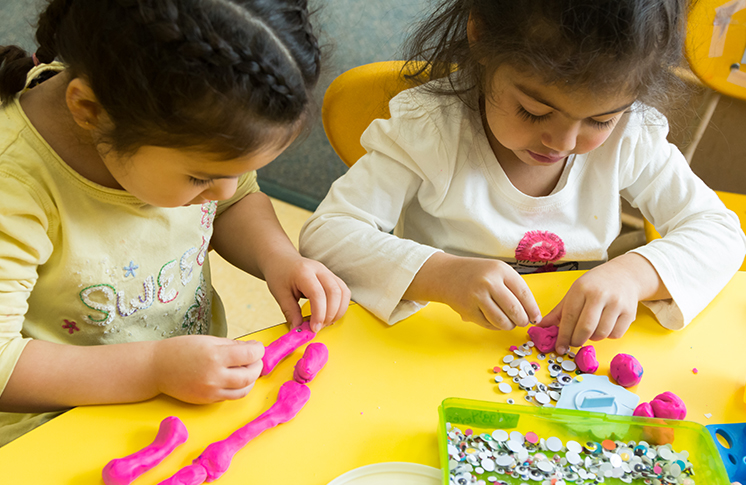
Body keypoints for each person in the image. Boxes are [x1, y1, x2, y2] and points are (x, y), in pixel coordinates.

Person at [300, 0, 746, 353]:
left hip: (564, 353)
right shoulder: (429, 129)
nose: (564, 142)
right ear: (481, 37)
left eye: (600, 120)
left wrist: (634, 274)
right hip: (439, 341)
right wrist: (443, 275)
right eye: (534, 110)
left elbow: (721, 232)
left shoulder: (632, 136)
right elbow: (327, 236)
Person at [0, 0, 350, 446]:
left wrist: (277, 257)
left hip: (184, 387)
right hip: (55, 427)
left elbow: (235, 202)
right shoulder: (12, 184)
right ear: (89, 109)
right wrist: (154, 370)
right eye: (201, 177)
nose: (225, 189)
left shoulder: (181, 138)